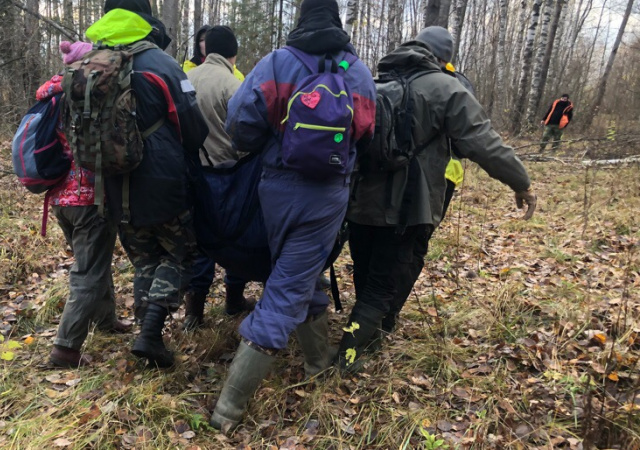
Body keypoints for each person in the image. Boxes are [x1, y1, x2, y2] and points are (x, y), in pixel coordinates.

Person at [210, 0, 376, 430]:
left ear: (300, 19)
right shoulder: (356, 70)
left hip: (276, 188)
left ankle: (319, 364)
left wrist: (276, 142)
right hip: (327, 196)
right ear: (337, 21)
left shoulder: (278, 63)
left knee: (298, 273)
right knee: (287, 287)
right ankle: (227, 411)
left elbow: (240, 125)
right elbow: (369, 132)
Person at [337, 26, 537, 373]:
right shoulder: (447, 88)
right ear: (443, 59)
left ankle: (372, 331)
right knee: (381, 285)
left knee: (366, 270)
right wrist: (521, 181)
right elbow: (483, 141)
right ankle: (347, 357)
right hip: (406, 206)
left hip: (359, 201)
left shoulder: (371, 81)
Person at [86, 0, 208, 369]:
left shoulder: (91, 62)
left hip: (111, 184)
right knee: (179, 254)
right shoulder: (160, 64)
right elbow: (195, 130)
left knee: (143, 260)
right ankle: (151, 334)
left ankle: (146, 337)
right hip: (163, 184)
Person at [42, 40, 132, 369]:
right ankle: (65, 348)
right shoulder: (84, 97)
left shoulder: (50, 93)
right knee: (88, 273)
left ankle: (105, 319)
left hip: (58, 197)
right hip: (87, 197)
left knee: (93, 261)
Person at [380, 45, 474, 335]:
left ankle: (375, 310)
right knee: (414, 245)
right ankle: (387, 314)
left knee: (383, 241)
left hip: (387, 173)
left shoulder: (388, 78)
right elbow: (465, 141)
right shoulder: (455, 84)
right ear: (447, 56)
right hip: (439, 178)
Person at [183, 25, 255, 331]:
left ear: (206, 49)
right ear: (233, 53)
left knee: (199, 242)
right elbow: (248, 135)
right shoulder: (234, 84)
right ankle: (233, 300)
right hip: (227, 176)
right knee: (235, 236)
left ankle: (193, 315)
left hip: (188, 174)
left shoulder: (184, 79)